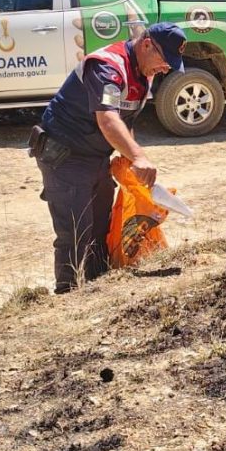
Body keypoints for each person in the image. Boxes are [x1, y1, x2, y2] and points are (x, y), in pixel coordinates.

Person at [30, 23, 187, 294]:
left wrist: (129, 160)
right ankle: (69, 297)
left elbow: (125, 121)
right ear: (146, 45)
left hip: (96, 158)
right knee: (76, 233)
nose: (165, 69)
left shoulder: (143, 73)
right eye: (164, 61)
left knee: (102, 227)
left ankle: (99, 289)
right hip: (65, 156)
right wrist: (138, 156)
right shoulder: (107, 67)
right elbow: (108, 119)